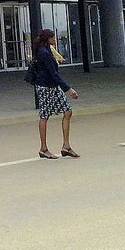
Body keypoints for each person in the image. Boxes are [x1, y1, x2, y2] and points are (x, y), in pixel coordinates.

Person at [33, 28, 80, 159]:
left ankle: (66, 146)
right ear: (48, 39)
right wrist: (68, 89)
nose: (55, 39)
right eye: (53, 37)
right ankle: (43, 148)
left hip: (53, 86)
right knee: (44, 115)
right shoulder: (44, 52)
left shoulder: (48, 50)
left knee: (67, 111)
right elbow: (53, 73)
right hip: (45, 87)